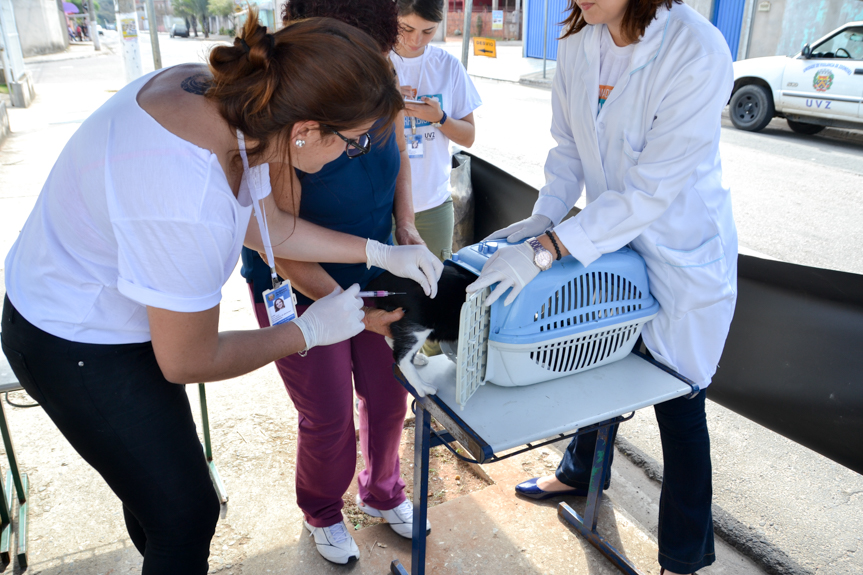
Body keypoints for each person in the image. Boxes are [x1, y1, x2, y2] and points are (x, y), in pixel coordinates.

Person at [1, 12, 443, 574]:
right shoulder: (187, 193)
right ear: (307, 131)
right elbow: (188, 358)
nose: (350, 156)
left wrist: (379, 252)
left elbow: (269, 224)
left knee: (163, 499)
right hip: (71, 338)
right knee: (185, 517)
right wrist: (304, 331)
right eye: (352, 144)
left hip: (120, 315)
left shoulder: (242, 108)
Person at [467, 1, 737, 574]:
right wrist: (543, 219)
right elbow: (568, 151)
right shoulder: (580, 39)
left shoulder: (696, 49)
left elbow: (650, 191)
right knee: (596, 363)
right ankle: (578, 473)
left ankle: (683, 559)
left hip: (679, 256)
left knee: (680, 405)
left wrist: (550, 249)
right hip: (608, 241)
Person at [237, 0, 429, 565]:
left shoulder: (380, 79)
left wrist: (407, 227)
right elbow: (282, 243)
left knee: (391, 391)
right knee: (326, 414)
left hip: (376, 266)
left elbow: (401, 162)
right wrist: (352, 312)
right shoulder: (280, 117)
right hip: (294, 284)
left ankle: (383, 490)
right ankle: (322, 508)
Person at [391, 0, 482, 261]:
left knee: (434, 289)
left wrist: (440, 118)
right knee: (385, 292)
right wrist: (387, 104)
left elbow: (469, 136)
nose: (416, 40)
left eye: (428, 31)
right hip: (384, 206)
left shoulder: (449, 66)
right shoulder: (377, 62)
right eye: (406, 28)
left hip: (434, 204)